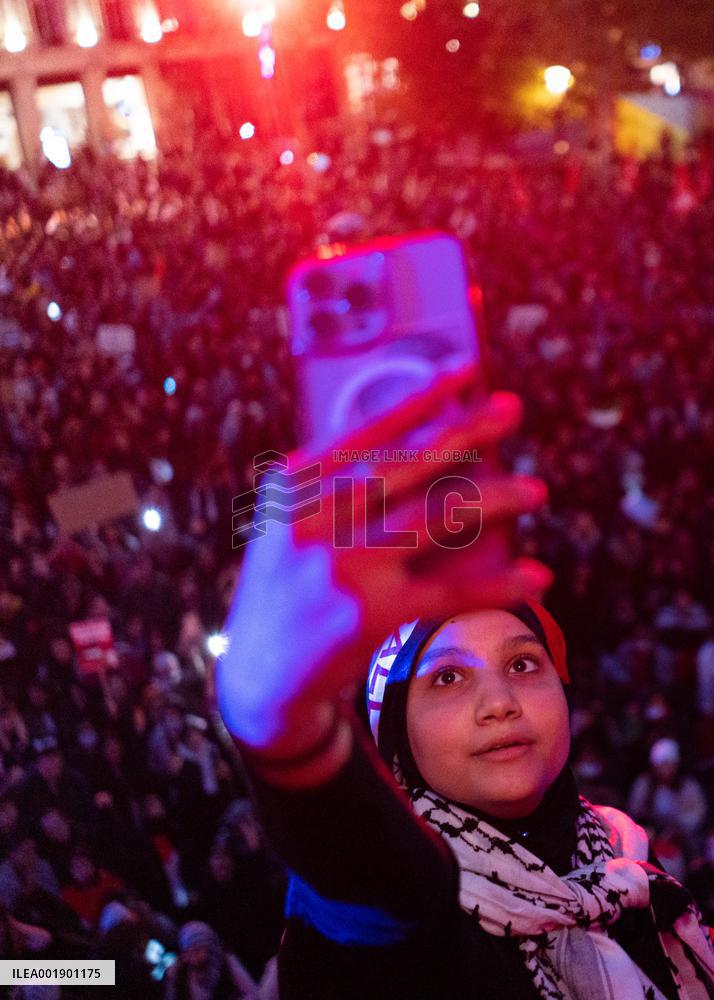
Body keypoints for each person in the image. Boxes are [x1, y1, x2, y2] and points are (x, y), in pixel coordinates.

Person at [216, 371, 714, 999]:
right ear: (395, 733)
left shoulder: (626, 857)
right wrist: (280, 729)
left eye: (524, 665)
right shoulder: (408, 914)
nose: (500, 703)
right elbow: (366, 868)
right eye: (447, 677)